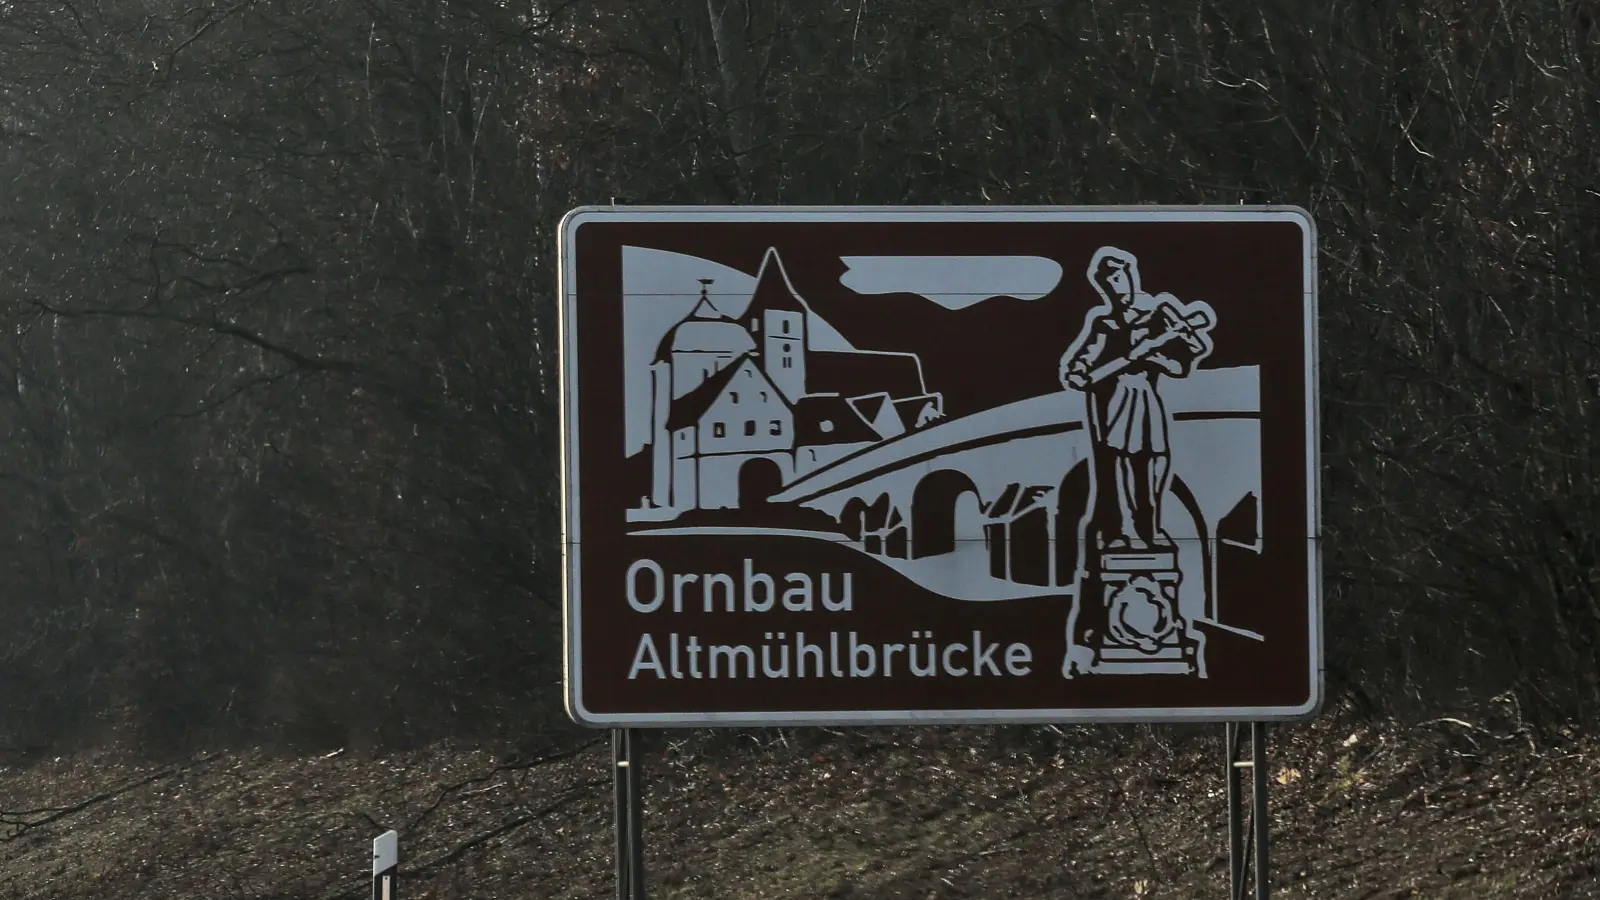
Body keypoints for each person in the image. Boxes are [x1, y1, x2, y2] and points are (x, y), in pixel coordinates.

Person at [1059, 247, 1211, 551]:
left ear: (1131, 277)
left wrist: (1155, 357)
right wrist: (1079, 372)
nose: (1117, 286)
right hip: (1115, 403)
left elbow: (1182, 363)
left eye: (1121, 277)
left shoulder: (1157, 319)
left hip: (1145, 399)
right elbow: (1081, 364)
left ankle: (1149, 526)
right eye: (1110, 281)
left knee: (1154, 464)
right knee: (1120, 466)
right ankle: (1123, 531)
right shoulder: (1105, 324)